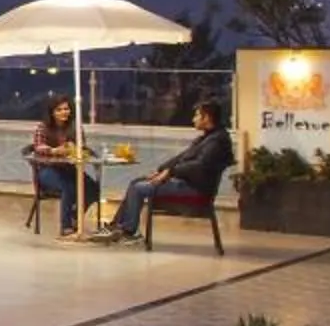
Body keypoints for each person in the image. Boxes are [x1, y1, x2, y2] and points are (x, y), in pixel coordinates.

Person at [95, 101, 234, 243]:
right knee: (136, 182)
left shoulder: (217, 142)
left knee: (138, 189)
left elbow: (199, 166)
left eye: (197, 115)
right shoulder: (206, 138)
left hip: (195, 190)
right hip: (184, 183)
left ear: (207, 118)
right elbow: (181, 157)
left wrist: (170, 172)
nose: (193, 119)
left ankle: (128, 231)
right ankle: (117, 226)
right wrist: (161, 170)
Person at [27, 95, 100, 239]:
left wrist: (78, 151)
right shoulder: (43, 127)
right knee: (68, 188)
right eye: (59, 110)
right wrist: (54, 151)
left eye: (66, 109)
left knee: (92, 188)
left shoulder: (75, 128)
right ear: (52, 112)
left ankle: (74, 215)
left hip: (69, 168)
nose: (63, 112)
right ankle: (65, 227)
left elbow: (82, 146)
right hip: (47, 170)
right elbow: (39, 147)